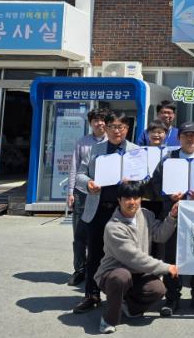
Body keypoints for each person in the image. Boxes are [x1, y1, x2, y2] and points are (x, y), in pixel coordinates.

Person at [73, 112, 140, 314]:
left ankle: (126, 296)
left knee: (126, 254)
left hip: (124, 212)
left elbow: (144, 180)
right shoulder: (95, 149)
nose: (116, 131)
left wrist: (133, 181)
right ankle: (92, 295)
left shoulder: (135, 151)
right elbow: (80, 175)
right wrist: (89, 183)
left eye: (121, 127)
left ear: (127, 129)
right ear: (106, 128)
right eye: (112, 126)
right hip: (99, 209)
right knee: (94, 254)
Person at [94, 181, 178, 334]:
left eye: (136, 197)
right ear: (119, 200)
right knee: (121, 277)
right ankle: (108, 319)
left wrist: (172, 216)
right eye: (127, 198)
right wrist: (166, 267)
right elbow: (135, 258)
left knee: (158, 289)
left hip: (138, 273)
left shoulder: (146, 215)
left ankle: (129, 307)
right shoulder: (113, 227)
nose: (132, 202)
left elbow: (160, 235)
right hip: (112, 274)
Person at [149, 121, 194, 316]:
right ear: (179, 138)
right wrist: (168, 195)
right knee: (172, 257)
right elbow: (155, 182)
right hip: (175, 214)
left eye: (193, 134)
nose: (189, 138)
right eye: (185, 134)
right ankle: (172, 297)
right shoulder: (169, 158)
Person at [67, 108, 109, 287]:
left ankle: (100, 269)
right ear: (90, 123)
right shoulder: (82, 142)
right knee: (79, 235)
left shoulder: (112, 142)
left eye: (102, 120)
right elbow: (74, 167)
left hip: (103, 194)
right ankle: (79, 270)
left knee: (102, 234)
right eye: (95, 120)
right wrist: (70, 192)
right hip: (82, 193)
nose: (99, 123)